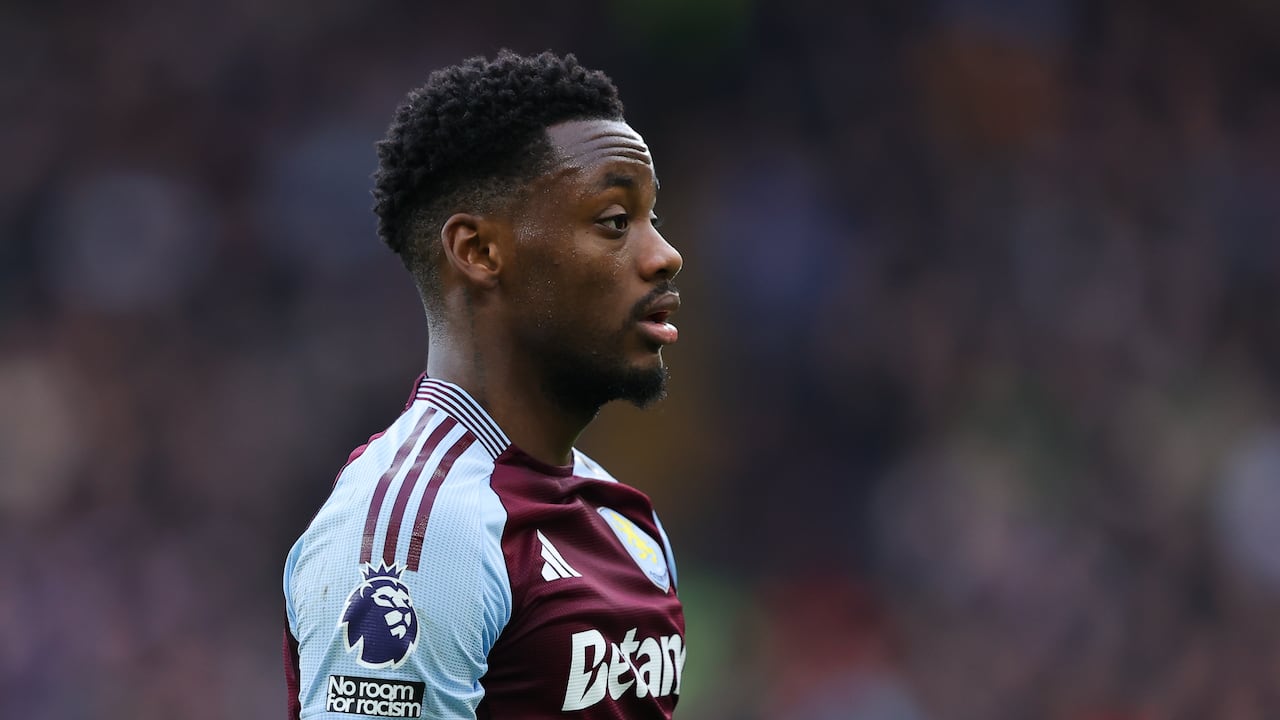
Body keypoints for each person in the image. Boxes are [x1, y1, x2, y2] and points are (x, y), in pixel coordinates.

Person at [282, 50, 687, 719]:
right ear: (479, 252)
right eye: (616, 221)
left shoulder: (624, 522)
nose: (663, 255)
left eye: (654, 219)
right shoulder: (420, 532)